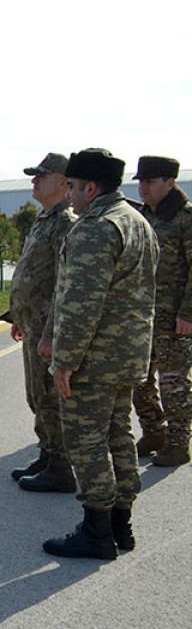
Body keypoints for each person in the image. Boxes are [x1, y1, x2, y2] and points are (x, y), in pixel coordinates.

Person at [44, 148, 157, 560]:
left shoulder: (96, 227)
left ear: (91, 187)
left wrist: (65, 360)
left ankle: (96, 530)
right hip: (128, 355)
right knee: (118, 435)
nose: (70, 195)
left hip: (95, 356)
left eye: (73, 187)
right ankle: (120, 525)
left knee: (86, 442)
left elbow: (81, 303)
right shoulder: (137, 221)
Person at [7, 153, 78, 490]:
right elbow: (32, 274)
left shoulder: (66, 223)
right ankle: (49, 454)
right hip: (33, 324)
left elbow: (65, 283)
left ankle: (62, 469)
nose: (34, 181)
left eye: (41, 176)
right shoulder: (45, 219)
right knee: (37, 395)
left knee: (50, 396)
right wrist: (17, 316)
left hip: (49, 329)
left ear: (64, 183)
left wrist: (51, 331)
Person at [130, 155, 192, 467]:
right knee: (138, 380)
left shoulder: (186, 218)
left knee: (173, 384)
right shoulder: (143, 216)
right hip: (143, 318)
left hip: (174, 320)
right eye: (140, 181)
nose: (143, 188)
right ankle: (155, 432)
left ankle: (179, 443)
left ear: (170, 182)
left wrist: (188, 314)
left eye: (150, 182)